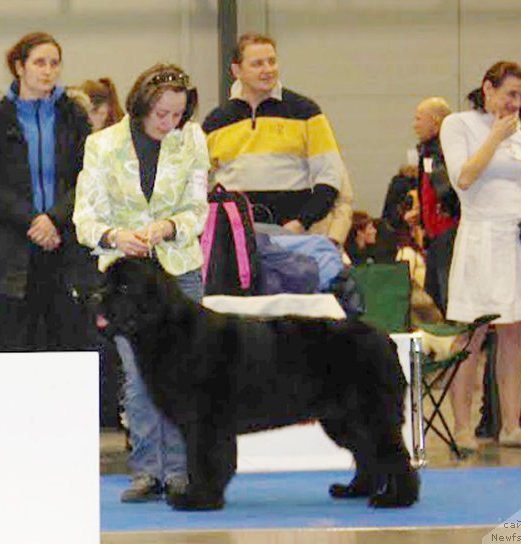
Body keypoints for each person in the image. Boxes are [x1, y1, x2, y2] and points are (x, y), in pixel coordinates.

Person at [73, 63, 209, 503]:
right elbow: (84, 219)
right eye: (161, 114)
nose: (169, 124)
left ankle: (183, 471)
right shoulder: (102, 145)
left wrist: (169, 226)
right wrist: (115, 236)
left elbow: (198, 210)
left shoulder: (193, 139)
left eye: (178, 115)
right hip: (128, 281)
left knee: (185, 375)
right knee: (140, 375)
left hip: (180, 272)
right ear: (141, 105)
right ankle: (148, 470)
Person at [0, 31, 95, 352]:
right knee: (11, 346)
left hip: (63, 246)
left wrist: (54, 219)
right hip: (11, 251)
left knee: (66, 345)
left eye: (54, 63)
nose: (48, 70)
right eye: (39, 62)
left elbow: (89, 177)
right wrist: (33, 220)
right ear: (19, 67)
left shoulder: (74, 117)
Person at [440, 60, 521, 450]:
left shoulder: (516, 134)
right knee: (472, 333)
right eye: (510, 94)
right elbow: (463, 178)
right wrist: (495, 136)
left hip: (518, 242)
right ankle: (462, 427)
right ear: (487, 88)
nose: (516, 103)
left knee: (516, 334)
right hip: (481, 237)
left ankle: (511, 426)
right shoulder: (458, 124)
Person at [203, 32, 353, 245]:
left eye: (271, 61)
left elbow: (330, 177)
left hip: (294, 238)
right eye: (257, 64)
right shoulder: (215, 122)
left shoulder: (306, 112)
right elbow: (199, 185)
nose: (268, 70)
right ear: (237, 71)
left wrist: (300, 223)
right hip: (235, 241)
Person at [412, 96, 460, 316]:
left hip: (447, 234)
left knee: (448, 295)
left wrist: (451, 207)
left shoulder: (444, 151)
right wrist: (420, 213)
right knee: (434, 295)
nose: (415, 125)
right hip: (434, 236)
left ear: (437, 122)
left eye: (419, 119)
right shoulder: (427, 152)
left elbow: (448, 189)